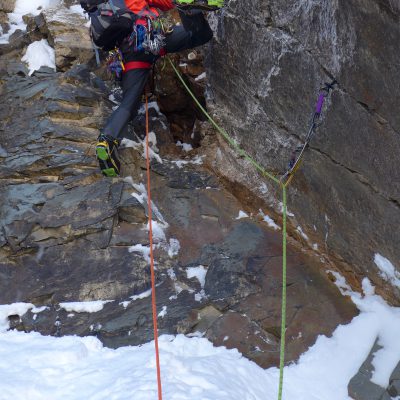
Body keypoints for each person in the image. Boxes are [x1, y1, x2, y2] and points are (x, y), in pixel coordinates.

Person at [83, 0, 224, 177]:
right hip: (151, 38)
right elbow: (164, 2)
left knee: (129, 103)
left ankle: (107, 140)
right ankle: (189, 11)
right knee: (199, 35)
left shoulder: (104, 10)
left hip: (129, 53)